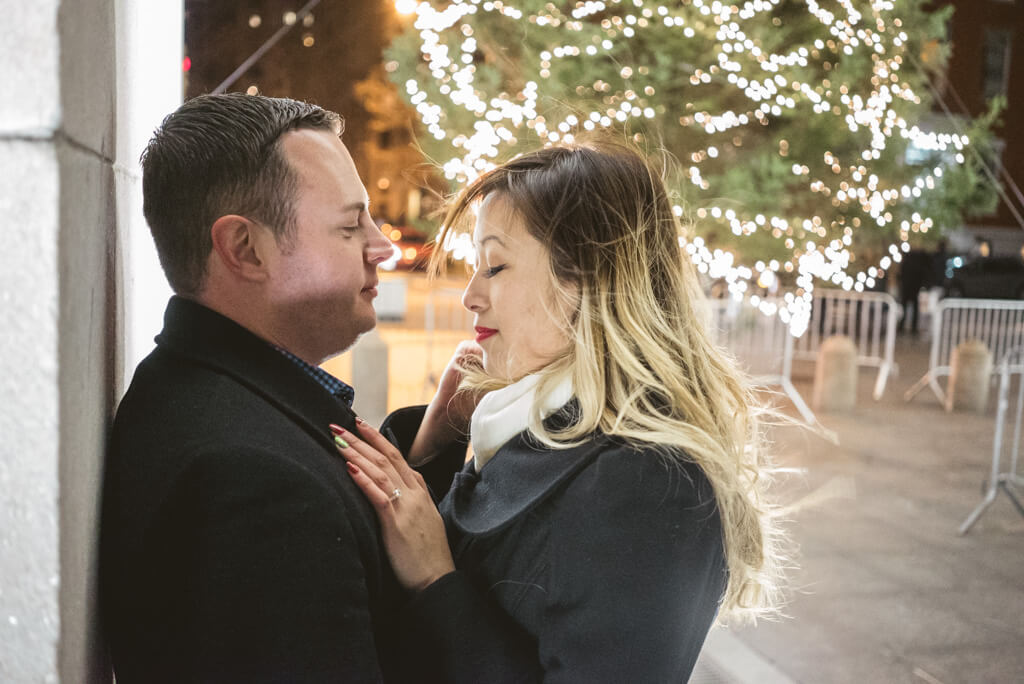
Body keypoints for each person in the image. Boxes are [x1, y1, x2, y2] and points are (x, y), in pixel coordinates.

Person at [335, 141, 787, 681]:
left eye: (496, 266)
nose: (470, 296)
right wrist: (432, 448)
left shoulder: (648, 480)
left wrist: (436, 582)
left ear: (589, 280)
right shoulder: (523, 425)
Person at [99, 93, 468, 683]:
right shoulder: (247, 482)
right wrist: (439, 588)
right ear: (244, 248)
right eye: (351, 226)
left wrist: (426, 449)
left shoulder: (202, 386)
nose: (385, 247)